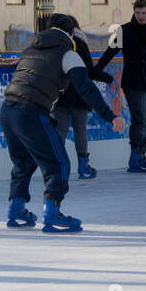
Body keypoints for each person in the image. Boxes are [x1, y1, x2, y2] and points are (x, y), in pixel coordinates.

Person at [0, 13, 116, 233]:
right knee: (59, 163)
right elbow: (86, 88)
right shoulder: (68, 54)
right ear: (71, 33)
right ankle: (52, 212)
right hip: (31, 111)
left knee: (23, 162)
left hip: (7, 109)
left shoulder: (30, 49)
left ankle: (16, 209)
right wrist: (110, 116)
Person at [96, 0, 146, 172]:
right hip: (133, 81)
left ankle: (141, 154)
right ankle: (135, 157)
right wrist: (97, 69)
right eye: (137, 13)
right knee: (139, 119)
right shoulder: (124, 31)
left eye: (144, 13)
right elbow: (110, 52)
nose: (140, 16)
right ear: (134, 13)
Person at [51, 17, 113, 180]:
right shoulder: (80, 43)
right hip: (79, 94)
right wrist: (108, 78)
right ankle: (83, 165)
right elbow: (89, 71)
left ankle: (58, 167)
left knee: (60, 130)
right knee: (80, 130)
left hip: (60, 93)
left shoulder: (53, 45)